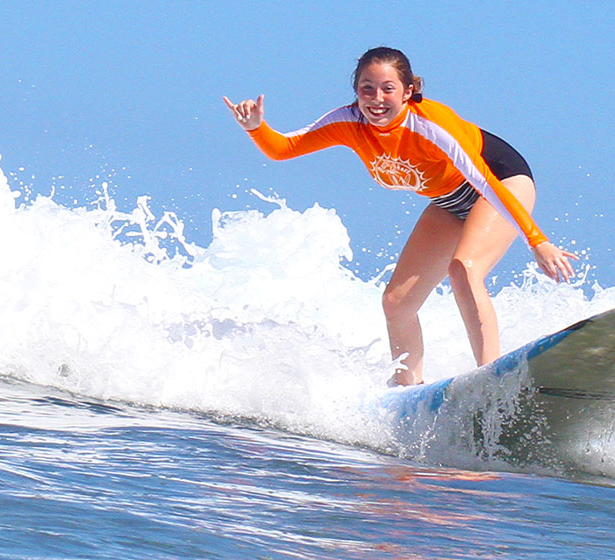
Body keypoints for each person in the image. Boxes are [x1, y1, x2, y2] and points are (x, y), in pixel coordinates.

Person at [224, 46, 577, 386]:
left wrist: (537, 240)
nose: (376, 99)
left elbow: (486, 182)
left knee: (463, 269)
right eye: (367, 88)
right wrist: (255, 127)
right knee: (396, 302)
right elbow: (284, 148)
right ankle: (407, 388)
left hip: (499, 182)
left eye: (387, 89)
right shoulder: (348, 122)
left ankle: (490, 377)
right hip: (449, 200)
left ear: (408, 91)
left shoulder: (431, 125)